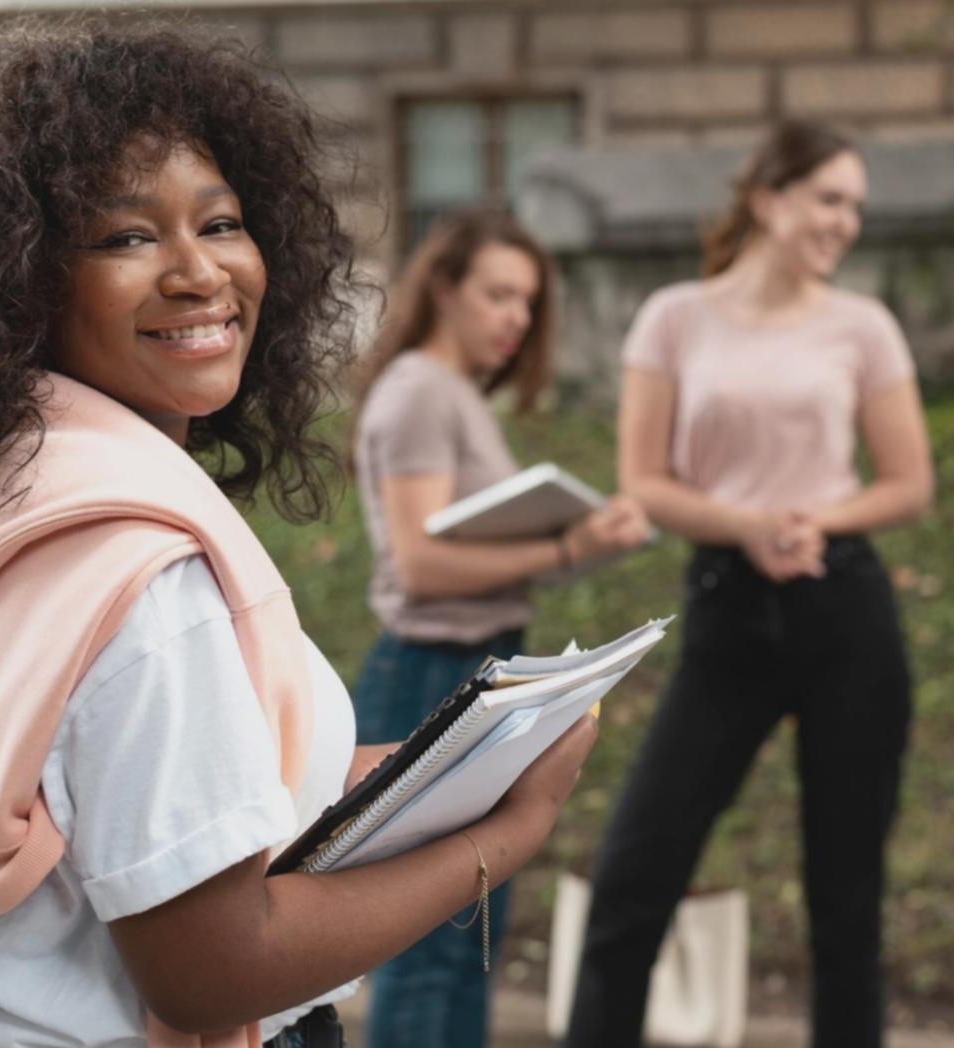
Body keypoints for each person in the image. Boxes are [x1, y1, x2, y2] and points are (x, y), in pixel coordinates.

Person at [0, 21, 600, 1048]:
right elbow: (215, 970)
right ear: (16, 280)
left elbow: (157, 798)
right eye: (128, 237)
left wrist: (438, 765)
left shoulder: (24, 501)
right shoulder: (145, 578)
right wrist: (503, 835)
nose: (199, 274)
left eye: (220, 223)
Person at [564, 121, 934, 1048]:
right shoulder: (675, 316)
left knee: (845, 898)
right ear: (769, 200)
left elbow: (908, 483)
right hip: (729, 605)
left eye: (855, 204)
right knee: (633, 874)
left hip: (841, 603)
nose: (845, 222)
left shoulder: (862, 326)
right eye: (828, 198)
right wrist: (745, 528)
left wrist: (813, 522)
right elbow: (643, 478)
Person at [346, 209, 651, 1048]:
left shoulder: (452, 395)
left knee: (468, 932)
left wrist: (579, 547)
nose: (517, 317)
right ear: (443, 288)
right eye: (498, 294)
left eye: (528, 300)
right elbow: (418, 565)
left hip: (477, 667)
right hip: (429, 674)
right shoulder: (417, 391)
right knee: (426, 936)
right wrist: (565, 544)